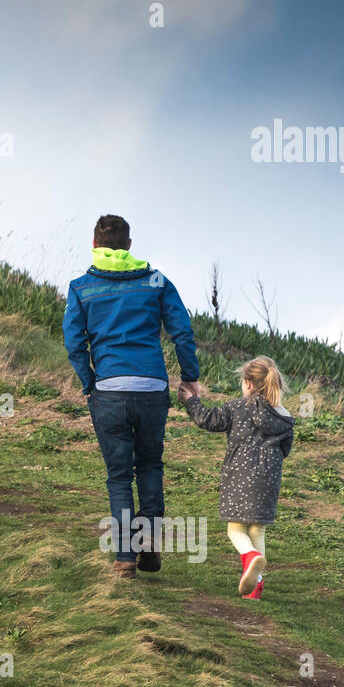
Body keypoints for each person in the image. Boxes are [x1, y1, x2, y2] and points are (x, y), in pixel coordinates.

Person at [62, 214, 200, 579]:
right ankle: (149, 537)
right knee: (150, 465)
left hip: (108, 390)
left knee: (119, 477)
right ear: (129, 246)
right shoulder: (157, 281)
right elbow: (182, 332)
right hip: (153, 388)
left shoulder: (80, 287)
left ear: (94, 246)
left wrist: (89, 382)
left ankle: (125, 558)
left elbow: (75, 343)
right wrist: (191, 377)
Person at [180, 356, 294, 599]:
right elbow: (286, 449)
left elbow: (207, 419)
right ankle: (255, 588)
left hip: (239, 477)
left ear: (248, 384)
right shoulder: (284, 417)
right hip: (268, 481)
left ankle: (250, 556)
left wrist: (191, 401)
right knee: (258, 531)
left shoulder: (236, 408)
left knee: (235, 529)